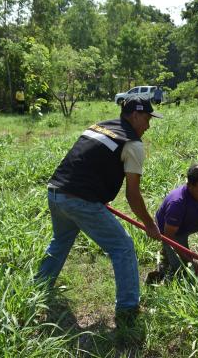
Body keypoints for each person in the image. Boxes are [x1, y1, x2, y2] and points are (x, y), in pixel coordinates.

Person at [35, 96, 163, 320]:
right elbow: (132, 196)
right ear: (135, 115)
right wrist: (150, 224)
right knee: (122, 247)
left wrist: (98, 194)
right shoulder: (132, 143)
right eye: (147, 118)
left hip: (55, 191)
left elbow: (87, 163)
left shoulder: (101, 125)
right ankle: (127, 309)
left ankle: (37, 290)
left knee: (61, 241)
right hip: (79, 200)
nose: (149, 125)